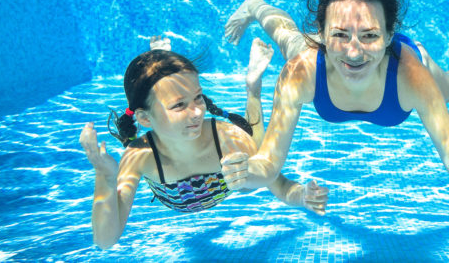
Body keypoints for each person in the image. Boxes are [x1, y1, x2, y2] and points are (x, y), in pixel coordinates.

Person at [224, 0, 449, 201]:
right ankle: (256, 5)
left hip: (405, 64)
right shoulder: (302, 71)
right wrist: (247, 171)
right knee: (288, 39)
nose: (354, 53)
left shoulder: (411, 77)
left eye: (369, 36)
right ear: (320, 33)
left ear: (391, 35)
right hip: (323, 59)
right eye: (340, 34)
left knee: (447, 89)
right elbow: (269, 163)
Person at [79, 37, 328, 249]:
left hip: (228, 170)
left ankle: (253, 88)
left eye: (198, 98)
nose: (198, 112)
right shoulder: (140, 155)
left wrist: (302, 195)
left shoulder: (226, 138)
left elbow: (276, 181)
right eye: (179, 105)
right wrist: (105, 177)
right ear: (144, 118)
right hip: (167, 176)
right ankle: (160, 56)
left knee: (254, 164)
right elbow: (105, 241)